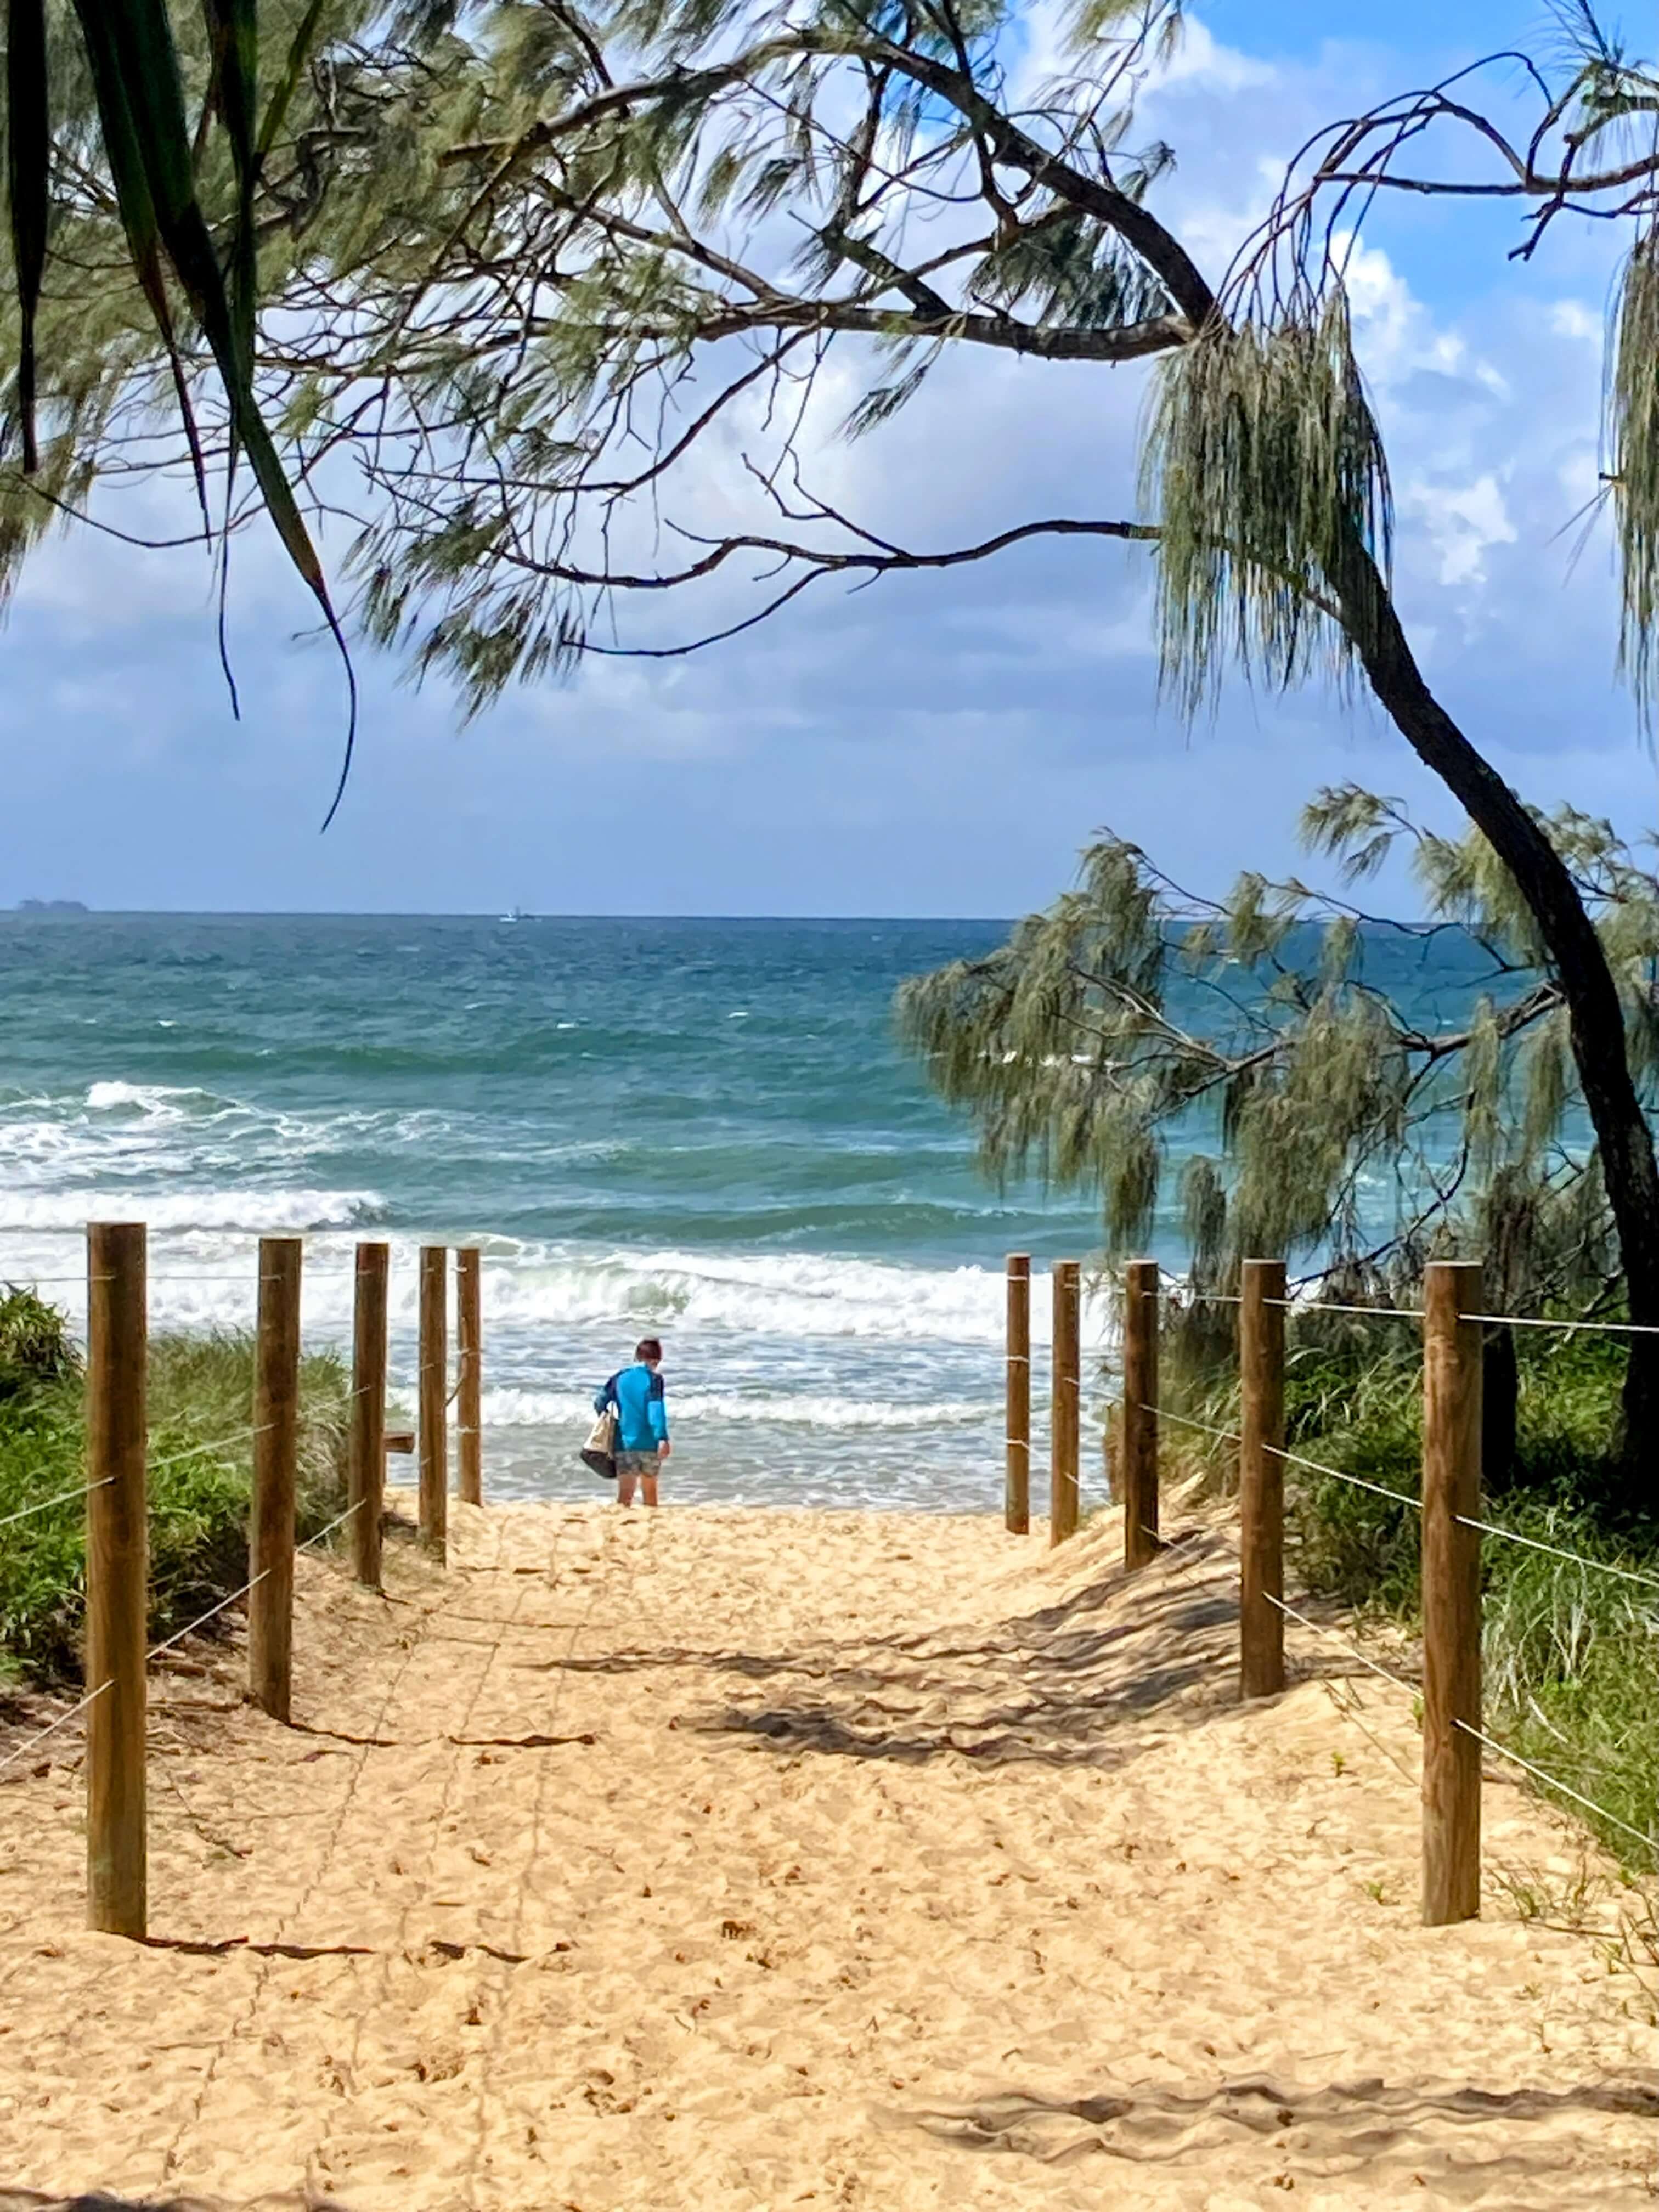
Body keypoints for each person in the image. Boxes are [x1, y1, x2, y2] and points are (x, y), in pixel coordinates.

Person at [594, 1337, 672, 1506]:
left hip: (623, 1443)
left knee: (625, 1495)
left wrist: (608, 1420)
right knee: (650, 1493)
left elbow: (599, 1403)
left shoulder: (619, 1377)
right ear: (656, 1359)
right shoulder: (654, 1379)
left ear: (637, 1356)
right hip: (648, 1443)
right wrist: (662, 1437)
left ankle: (620, 1529)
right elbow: (655, 1409)